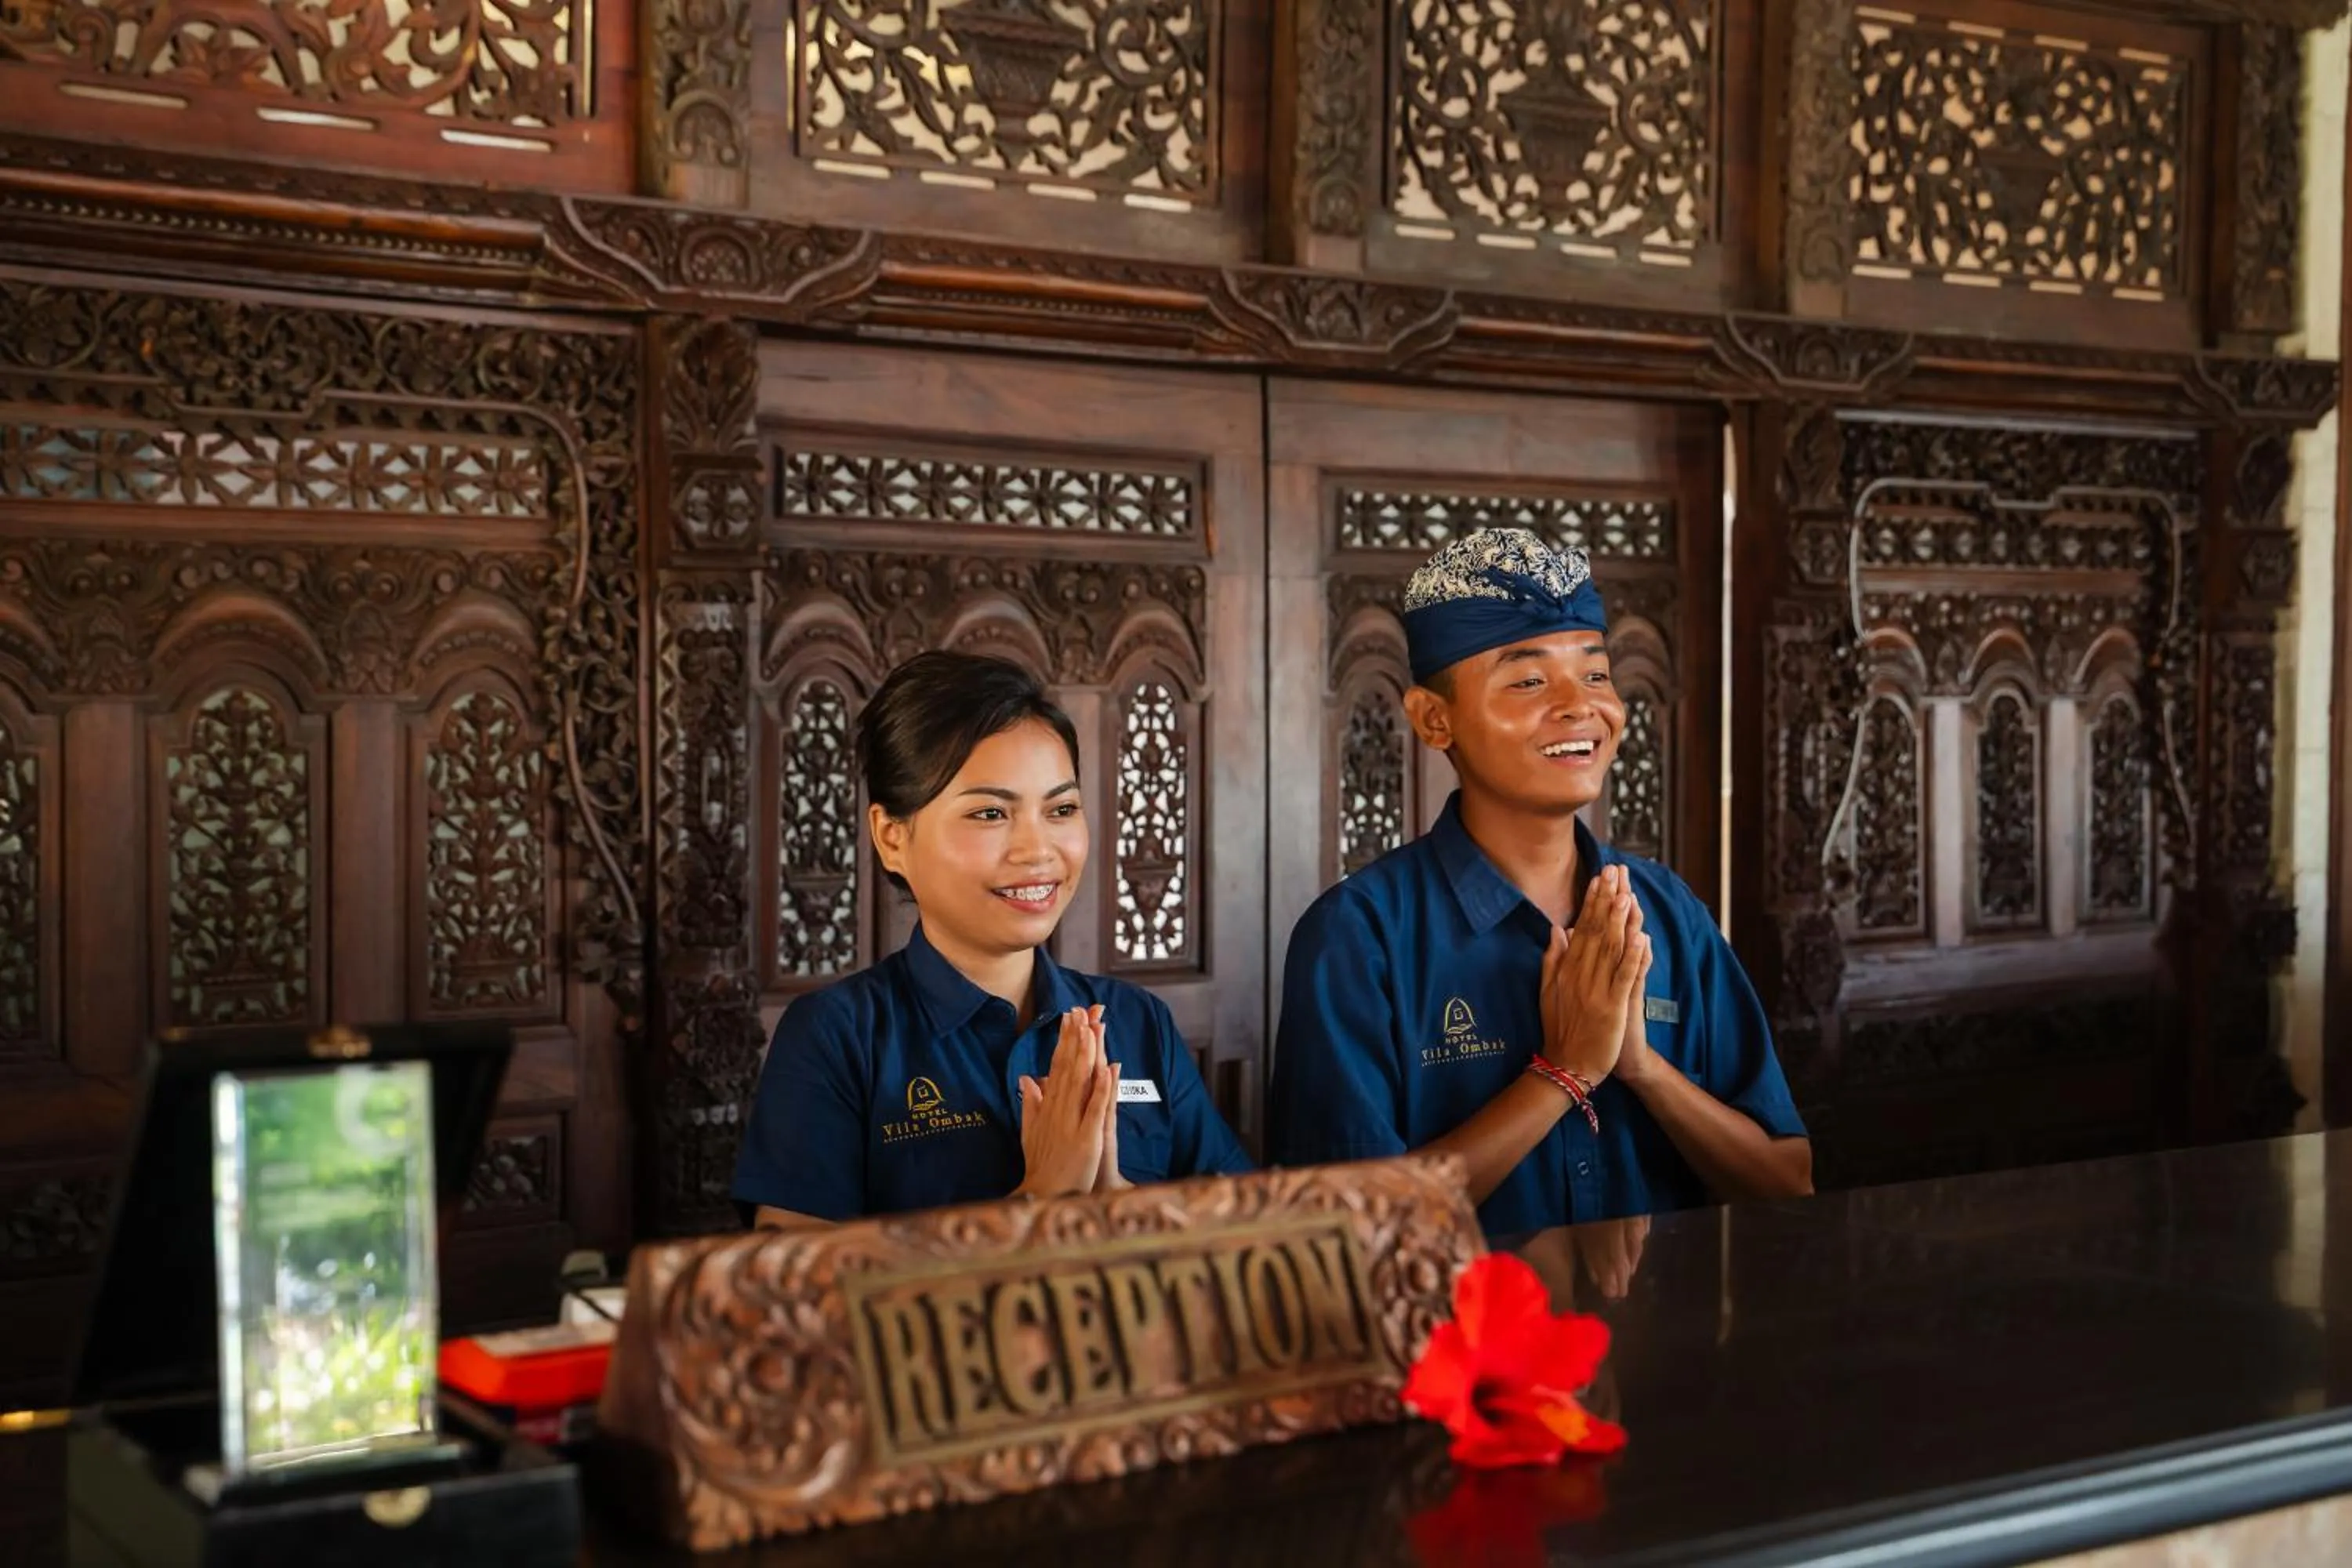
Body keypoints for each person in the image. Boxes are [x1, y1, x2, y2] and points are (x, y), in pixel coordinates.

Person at [1269, 528, 1810, 1233]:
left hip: (1669, 1338)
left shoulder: (1670, 913)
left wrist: (1643, 1068)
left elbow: (1788, 1180)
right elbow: (1346, 1233)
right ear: (1434, 719)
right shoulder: (1358, 936)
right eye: (1528, 681)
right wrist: (1562, 1072)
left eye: (1595, 674)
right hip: (1460, 1343)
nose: (1580, 706)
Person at [733, 650, 1251, 1226]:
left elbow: (1251, 1243)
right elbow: (791, 1294)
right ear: (892, 837)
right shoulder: (837, 1038)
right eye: (989, 814)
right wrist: (1036, 1205)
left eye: (1062, 808)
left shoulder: (1138, 1023)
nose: (1037, 852)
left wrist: (1121, 1207)